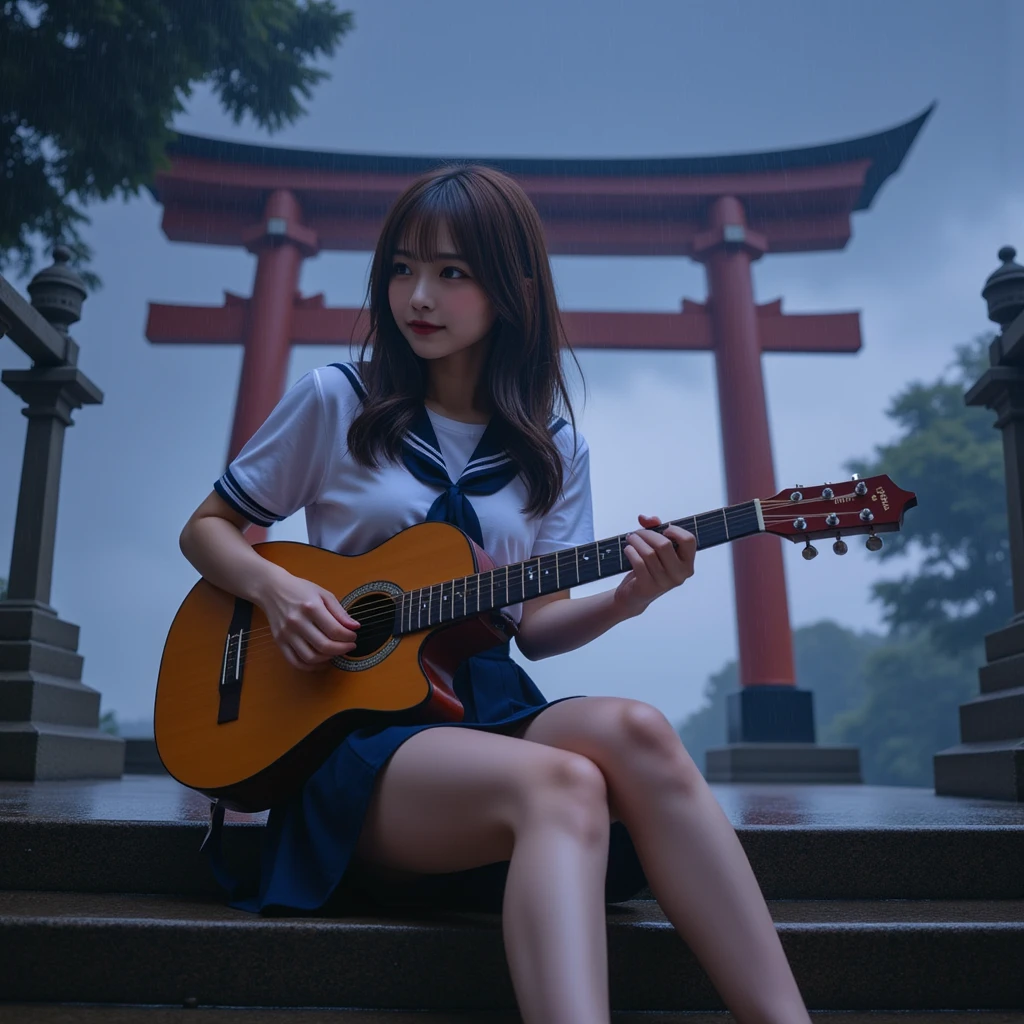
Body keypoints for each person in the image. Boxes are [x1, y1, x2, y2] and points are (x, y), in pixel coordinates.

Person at [178, 164, 811, 1024]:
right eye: (402, 268)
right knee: (563, 785)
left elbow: (536, 628)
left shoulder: (553, 446)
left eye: (451, 272)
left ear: (511, 288)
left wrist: (629, 598)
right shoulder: (339, 400)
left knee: (639, 731)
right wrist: (278, 589)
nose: (418, 295)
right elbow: (208, 528)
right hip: (346, 733)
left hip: (480, 703)